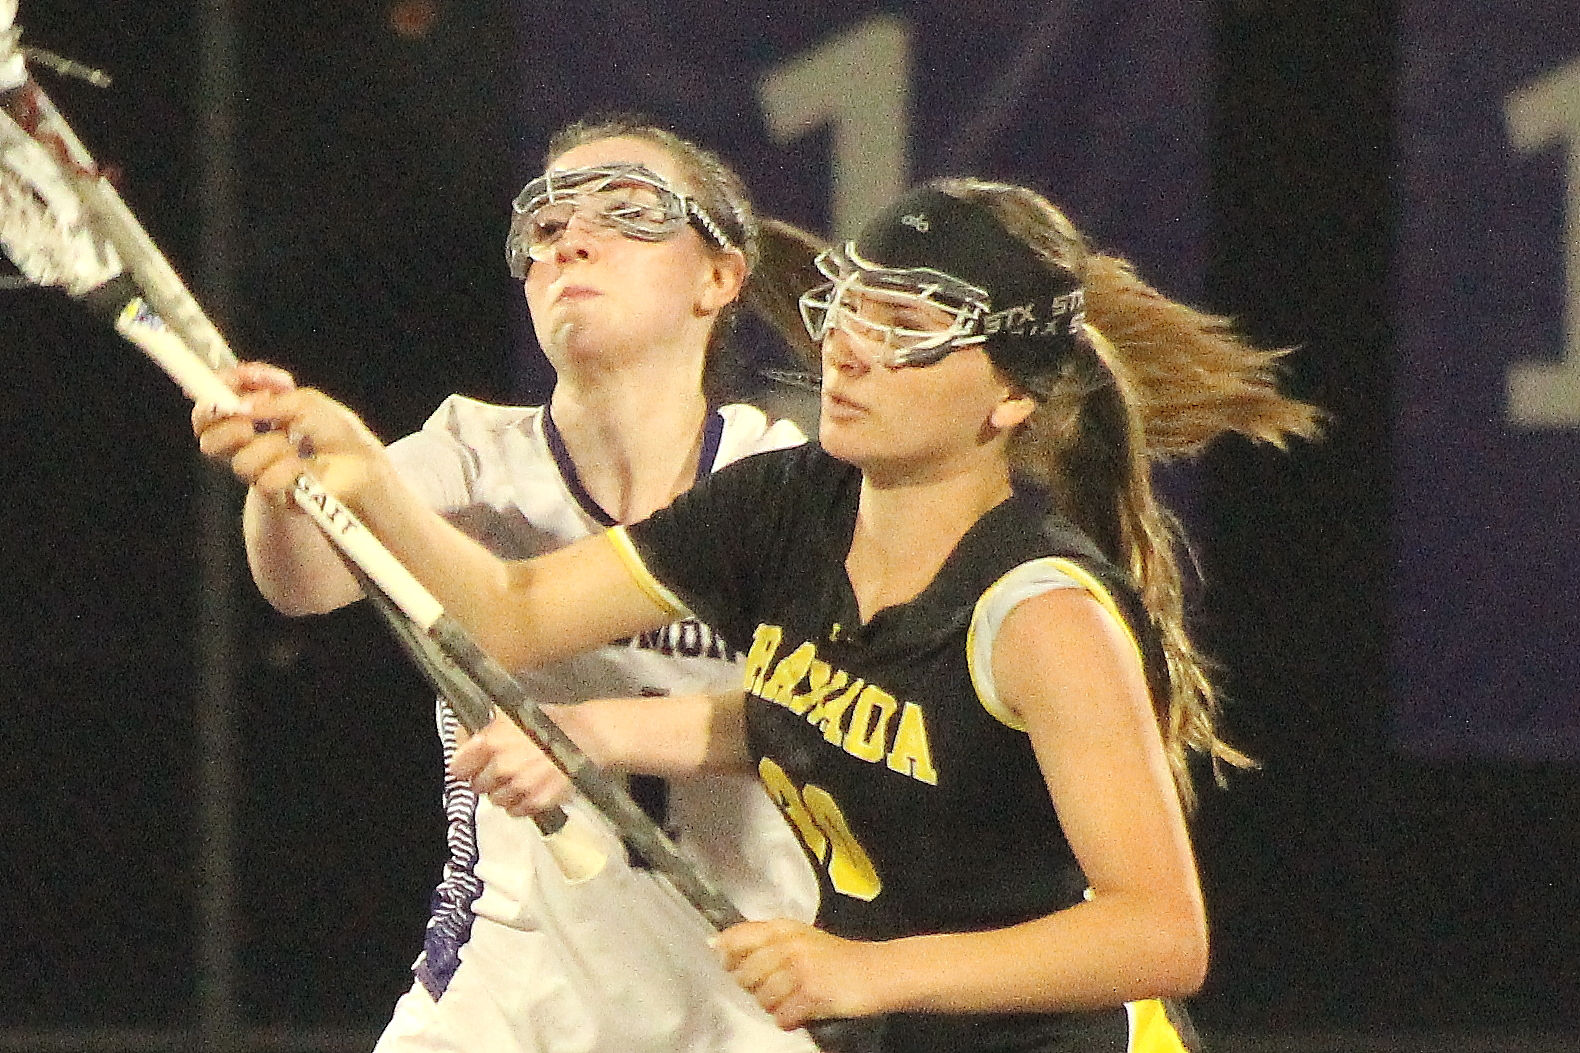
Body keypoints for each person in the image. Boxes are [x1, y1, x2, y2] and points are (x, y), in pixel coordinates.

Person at [199, 177, 1319, 1052]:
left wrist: (869, 971)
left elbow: (1159, 933)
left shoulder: (1039, 613)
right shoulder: (786, 505)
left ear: (1011, 395)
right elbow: (515, 613)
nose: (849, 348)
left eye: (908, 326)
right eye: (849, 308)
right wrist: (365, 476)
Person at [211, 117, 827, 1052]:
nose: (570, 239)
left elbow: (830, 722)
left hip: (742, 1010)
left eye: (626, 211)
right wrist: (282, 481)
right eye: (546, 223)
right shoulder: (470, 454)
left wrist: (594, 733)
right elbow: (302, 580)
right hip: (501, 1001)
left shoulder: (783, 478)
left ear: (718, 276)